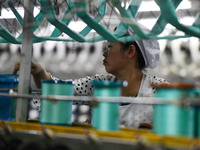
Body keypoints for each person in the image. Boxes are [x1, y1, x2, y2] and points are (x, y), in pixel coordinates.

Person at [13, 27, 167, 129]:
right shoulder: (98, 84)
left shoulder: (159, 90)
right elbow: (59, 91)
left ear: (130, 52)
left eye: (109, 47)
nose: (104, 53)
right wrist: (40, 72)